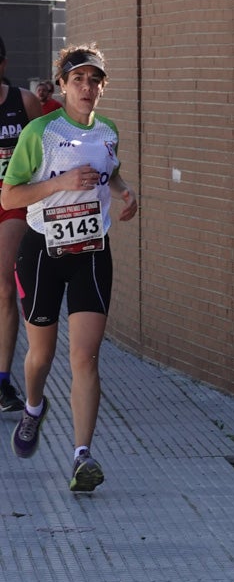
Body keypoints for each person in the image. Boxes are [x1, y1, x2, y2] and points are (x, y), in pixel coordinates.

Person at [1, 43, 138, 492]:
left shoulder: (110, 131)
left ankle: (83, 456)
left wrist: (123, 190)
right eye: (77, 79)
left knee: (85, 355)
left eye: (94, 79)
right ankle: (34, 407)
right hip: (42, 253)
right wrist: (60, 183)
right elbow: (8, 197)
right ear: (61, 86)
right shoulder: (40, 132)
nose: (86, 86)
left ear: (102, 88)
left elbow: (109, 168)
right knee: (40, 356)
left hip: (92, 253)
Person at [0, 36, 42, 412]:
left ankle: (2, 383)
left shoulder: (22, 102)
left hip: (13, 203)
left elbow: (49, 144)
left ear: (4, 65)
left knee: (2, 285)